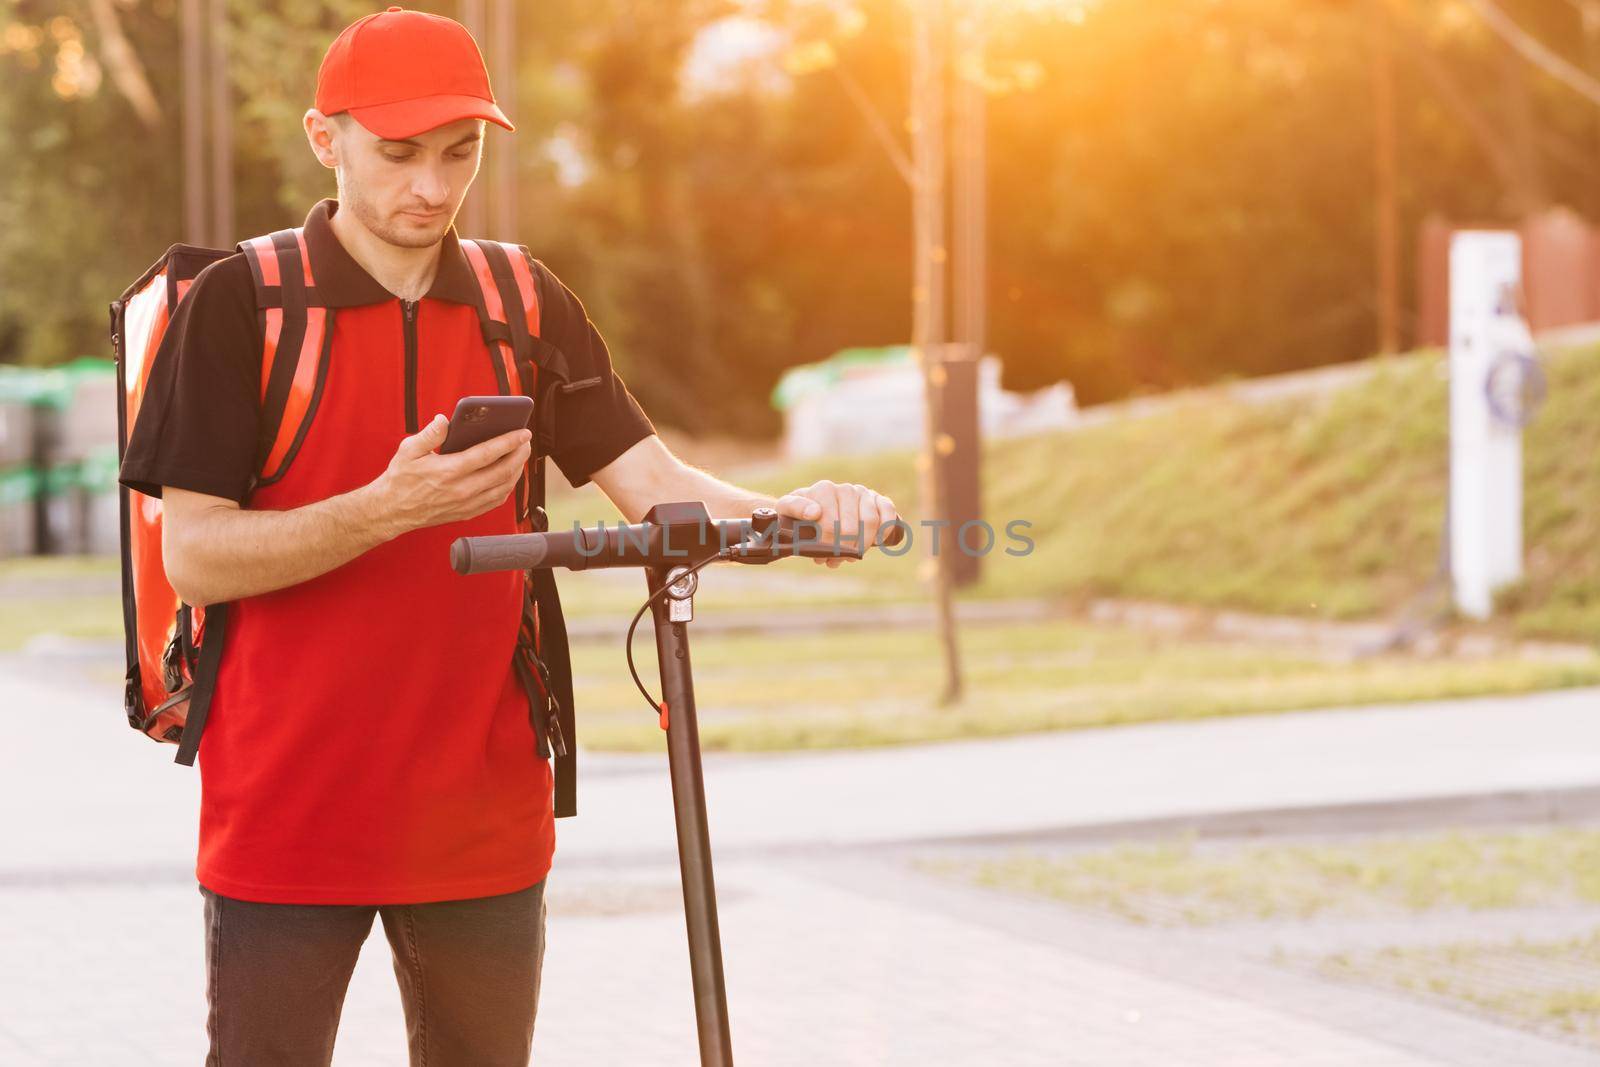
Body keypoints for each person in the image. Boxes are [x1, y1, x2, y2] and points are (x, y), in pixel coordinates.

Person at [116, 7, 900, 1065]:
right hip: (287, 810)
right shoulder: (242, 305)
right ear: (323, 138)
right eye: (397, 155)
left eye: (459, 153)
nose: (430, 188)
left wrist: (801, 515)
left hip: (480, 812)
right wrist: (383, 509)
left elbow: (656, 486)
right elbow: (196, 552)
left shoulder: (521, 302)